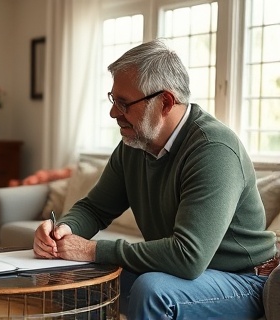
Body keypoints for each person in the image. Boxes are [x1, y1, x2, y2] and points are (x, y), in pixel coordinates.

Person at [33, 39, 278, 319]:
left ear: (165, 102)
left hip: (243, 280)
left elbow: (188, 256)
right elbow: (94, 208)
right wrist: (62, 230)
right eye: (114, 100)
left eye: (124, 104)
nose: (114, 113)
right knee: (70, 277)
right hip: (177, 273)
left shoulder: (214, 149)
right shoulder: (135, 144)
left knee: (153, 290)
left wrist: (92, 250)